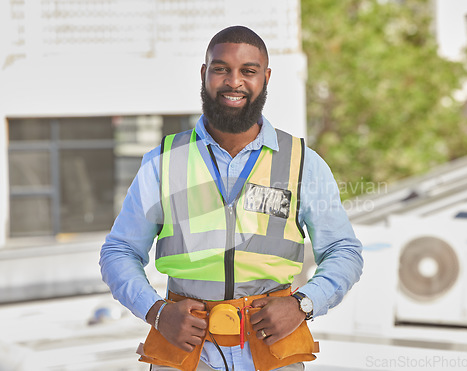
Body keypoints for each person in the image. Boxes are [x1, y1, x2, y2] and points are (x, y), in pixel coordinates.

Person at [100, 25, 363, 371]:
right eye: (221, 68)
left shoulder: (301, 162)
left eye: (248, 71)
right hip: (185, 350)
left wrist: (303, 305)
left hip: (273, 349)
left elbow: (344, 251)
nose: (233, 82)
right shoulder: (164, 161)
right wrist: (157, 312)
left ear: (265, 77)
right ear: (204, 74)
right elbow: (118, 251)